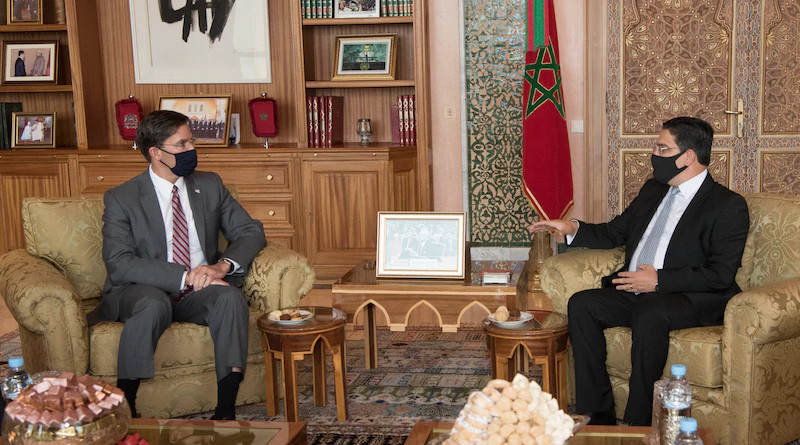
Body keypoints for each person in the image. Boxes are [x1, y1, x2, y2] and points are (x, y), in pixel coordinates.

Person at [529, 116, 749, 426]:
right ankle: (598, 415)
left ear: (687, 156)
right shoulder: (654, 190)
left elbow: (720, 274)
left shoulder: (727, 205)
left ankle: (638, 420)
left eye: (662, 148)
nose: (654, 156)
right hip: (635, 289)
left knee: (652, 311)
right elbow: (616, 232)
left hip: (689, 296)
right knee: (583, 304)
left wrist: (659, 281)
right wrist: (571, 228)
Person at [87, 110, 266, 420]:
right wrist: (184, 276)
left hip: (200, 290)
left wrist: (221, 266)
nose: (191, 151)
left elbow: (250, 231)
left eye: (191, 142)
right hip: (141, 290)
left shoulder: (209, 184)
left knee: (229, 298)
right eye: (181, 145)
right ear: (156, 153)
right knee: (153, 305)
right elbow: (120, 264)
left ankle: (225, 410)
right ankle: (126, 409)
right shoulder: (122, 198)